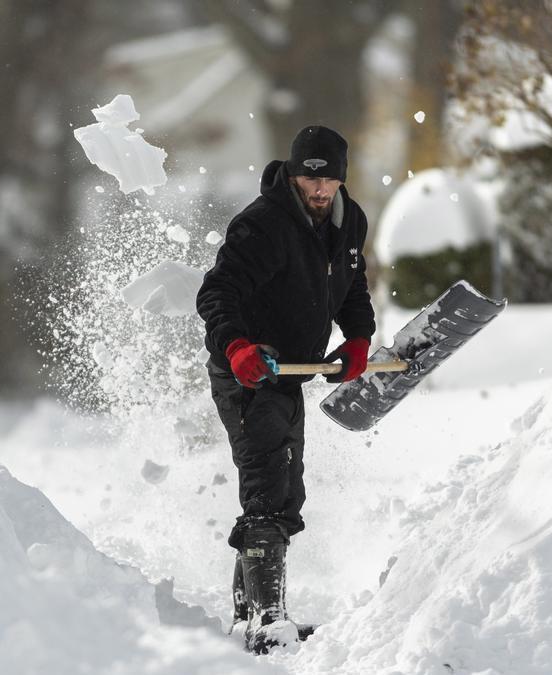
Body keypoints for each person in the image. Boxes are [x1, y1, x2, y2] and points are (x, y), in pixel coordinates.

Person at [196, 125, 376, 653]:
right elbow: (217, 292)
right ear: (293, 175)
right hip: (248, 370)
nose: (319, 191)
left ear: (341, 179)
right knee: (268, 485)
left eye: (329, 182)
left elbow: (350, 286)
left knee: (283, 486)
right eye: (308, 180)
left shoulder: (350, 222)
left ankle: (246, 616)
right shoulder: (263, 225)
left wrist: (359, 338)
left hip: (292, 372)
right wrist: (237, 348)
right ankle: (268, 620)